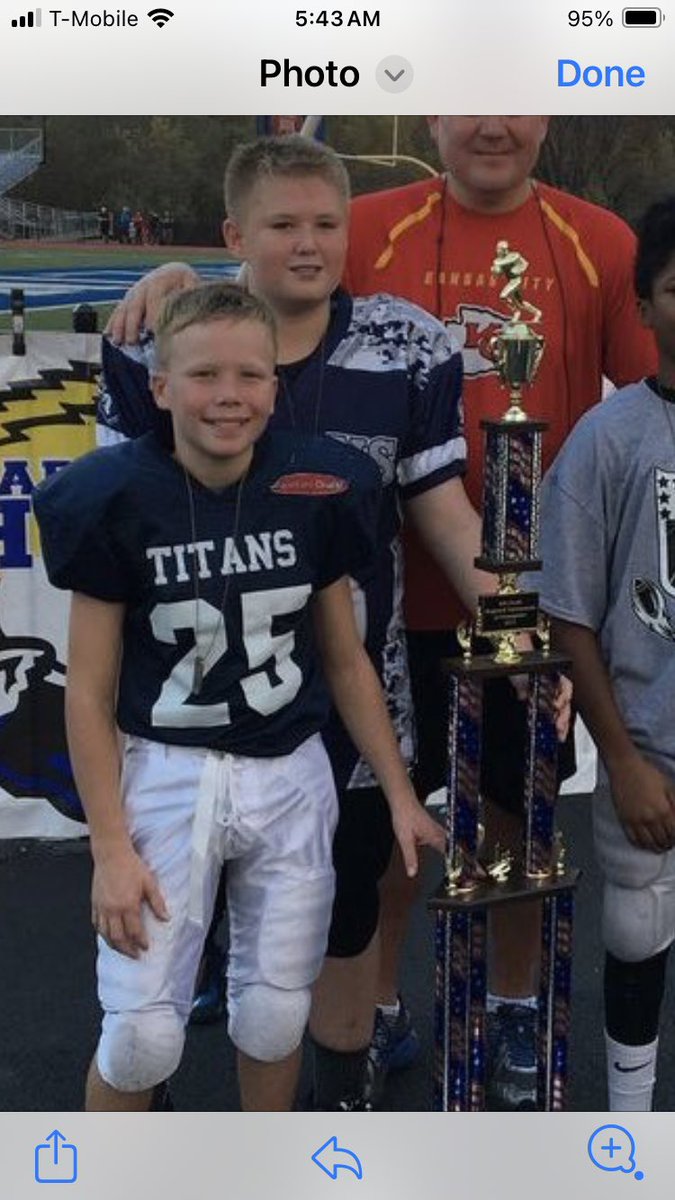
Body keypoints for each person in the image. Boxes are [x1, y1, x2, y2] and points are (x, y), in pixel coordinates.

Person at [101, 134, 570, 1111]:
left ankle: (336, 1106)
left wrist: (528, 635)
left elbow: (442, 511)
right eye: (282, 225)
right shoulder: (162, 335)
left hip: (349, 711)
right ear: (238, 232)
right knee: (155, 974)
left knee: (341, 927)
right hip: (190, 718)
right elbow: (118, 524)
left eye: (326, 224)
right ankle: (135, 1120)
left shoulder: (408, 345)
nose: (309, 245)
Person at [33, 281, 445, 1113]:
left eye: (250, 376)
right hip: (166, 771)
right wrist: (110, 847)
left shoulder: (318, 484)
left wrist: (398, 791)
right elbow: (90, 690)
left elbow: (345, 657)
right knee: (142, 1033)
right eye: (204, 375)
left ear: (274, 384)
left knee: (270, 1015)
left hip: (290, 773)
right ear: (158, 388)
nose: (229, 396)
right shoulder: (114, 495)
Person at [343, 115, 658, 1108]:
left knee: (516, 822)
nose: (493, 123)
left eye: (516, 97)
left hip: (539, 611)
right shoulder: (359, 230)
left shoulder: (598, 240)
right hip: (389, 607)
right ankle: (380, 1002)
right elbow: (257, 307)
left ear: (551, 112)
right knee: (390, 823)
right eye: (470, 96)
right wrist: (167, 285)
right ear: (429, 111)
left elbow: (661, 384)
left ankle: (514, 1007)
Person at [536, 196, 675, 1111]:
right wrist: (618, 759)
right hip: (650, 748)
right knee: (635, 928)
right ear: (644, 303)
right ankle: (629, 1122)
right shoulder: (608, 438)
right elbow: (567, 613)